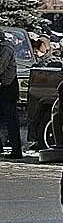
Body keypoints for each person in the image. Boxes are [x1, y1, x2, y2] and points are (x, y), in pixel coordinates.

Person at [0, 31, 22, 159]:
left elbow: (1, 67)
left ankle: (16, 150)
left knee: (11, 120)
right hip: (4, 86)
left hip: (7, 88)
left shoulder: (5, 48)